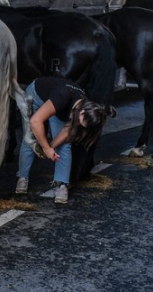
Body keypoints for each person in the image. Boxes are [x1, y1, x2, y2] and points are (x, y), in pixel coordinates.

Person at [15, 76, 116, 204]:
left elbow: (68, 130)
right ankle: (22, 178)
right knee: (30, 138)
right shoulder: (63, 96)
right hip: (36, 95)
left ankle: (62, 185)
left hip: (59, 106)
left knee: (65, 144)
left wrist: (50, 147)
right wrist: (45, 148)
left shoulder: (86, 108)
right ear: (81, 111)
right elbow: (36, 121)